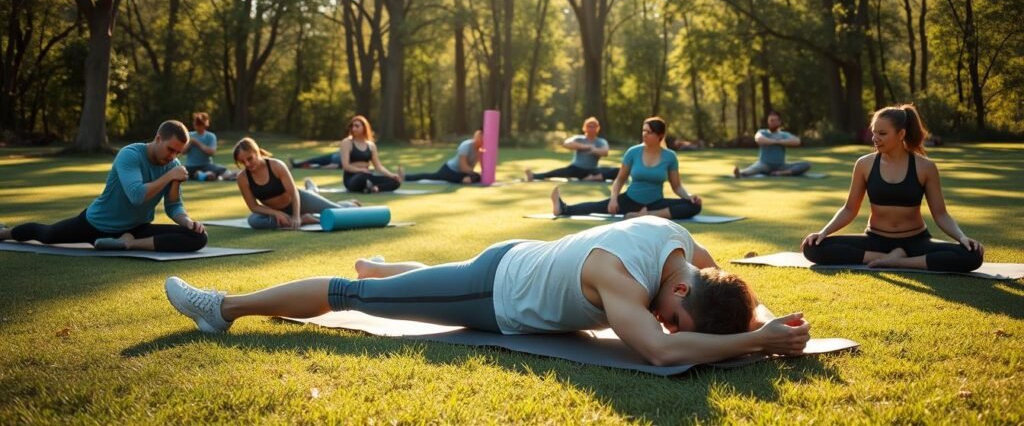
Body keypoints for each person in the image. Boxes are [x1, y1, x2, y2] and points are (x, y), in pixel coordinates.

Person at [165, 216, 810, 366]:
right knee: (349, 298)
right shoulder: (622, 279)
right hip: (493, 294)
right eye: (673, 315)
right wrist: (756, 341)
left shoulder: (681, 245)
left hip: (520, 259)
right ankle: (224, 308)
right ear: (673, 288)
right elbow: (661, 355)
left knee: (408, 283)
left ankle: (388, 269)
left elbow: (730, 289)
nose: (670, 324)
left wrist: (774, 324)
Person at [801, 104, 984, 272]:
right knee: (812, 248)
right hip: (875, 240)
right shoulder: (864, 164)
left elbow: (941, 214)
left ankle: (900, 261)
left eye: (882, 133)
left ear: (901, 134)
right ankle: (883, 257)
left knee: (972, 255)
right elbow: (849, 209)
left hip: (915, 241)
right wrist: (823, 232)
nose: (875, 139)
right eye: (873, 133)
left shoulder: (925, 167)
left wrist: (961, 238)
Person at [0, 120, 207, 252]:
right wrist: (170, 175)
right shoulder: (130, 155)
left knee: (198, 238)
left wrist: (188, 222)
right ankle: (5, 233)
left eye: (178, 153)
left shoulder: (173, 166)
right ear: (158, 138)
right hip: (97, 224)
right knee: (47, 235)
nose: (173, 157)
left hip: (135, 229)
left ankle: (128, 243)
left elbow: (173, 206)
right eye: (170, 149)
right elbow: (136, 195)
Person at [552, 117, 703, 220]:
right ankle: (564, 208)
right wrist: (613, 199)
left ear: (660, 135)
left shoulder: (670, 157)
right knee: (597, 206)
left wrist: (689, 197)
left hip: (655, 203)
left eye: (649, 132)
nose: (644, 134)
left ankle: (646, 215)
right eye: (643, 131)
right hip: (630, 200)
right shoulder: (633, 152)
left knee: (694, 206)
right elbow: (620, 179)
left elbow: (676, 186)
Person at [233, 137, 360, 230]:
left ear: (257, 152)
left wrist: (296, 216)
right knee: (253, 221)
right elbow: (254, 207)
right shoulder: (242, 178)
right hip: (276, 210)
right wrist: (276, 213)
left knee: (340, 213)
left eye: (250, 158)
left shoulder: (276, 165)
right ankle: (305, 218)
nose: (248, 164)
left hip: (299, 200)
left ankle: (348, 204)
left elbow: (294, 193)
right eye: (243, 162)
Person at [525, 117, 619, 182]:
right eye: (589, 126)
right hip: (576, 168)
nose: (591, 128)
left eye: (593, 126)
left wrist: (594, 149)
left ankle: (594, 178)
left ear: (597, 128)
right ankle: (534, 176)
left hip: (592, 171)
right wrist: (585, 147)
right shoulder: (579, 138)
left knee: (618, 171)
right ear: (584, 128)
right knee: (556, 173)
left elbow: (605, 151)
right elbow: (566, 144)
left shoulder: (600, 141)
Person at [733, 110, 811, 177]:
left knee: (806, 165)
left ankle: (782, 173)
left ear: (779, 122)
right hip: (764, 164)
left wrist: (780, 141)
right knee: (753, 169)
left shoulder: (784, 134)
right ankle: (741, 174)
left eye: (774, 121)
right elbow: (758, 139)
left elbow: (797, 141)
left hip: (780, 166)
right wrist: (775, 141)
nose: (772, 123)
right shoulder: (763, 132)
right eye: (770, 120)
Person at [340, 115, 401, 193]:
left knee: (395, 182)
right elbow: (346, 166)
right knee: (363, 177)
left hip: (366, 175)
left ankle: (375, 188)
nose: (353, 128)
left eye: (357, 126)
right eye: (352, 126)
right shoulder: (347, 142)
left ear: (364, 127)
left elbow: (378, 166)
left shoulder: (371, 145)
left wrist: (391, 175)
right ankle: (367, 185)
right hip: (352, 178)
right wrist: (361, 170)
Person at [403, 130, 483, 184]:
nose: (483, 140)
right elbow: (463, 167)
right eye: (481, 137)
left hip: (464, 173)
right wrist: (475, 174)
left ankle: (466, 179)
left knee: (474, 178)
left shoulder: (482, 150)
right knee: (431, 176)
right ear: (477, 136)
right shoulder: (466, 145)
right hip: (450, 170)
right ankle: (405, 177)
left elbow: (483, 167)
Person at [184, 112, 238, 181]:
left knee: (223, 169)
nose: (198, 127)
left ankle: (205, 175)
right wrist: (189, 143)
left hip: (206, 165)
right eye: (196, 125)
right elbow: (182, 151)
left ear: (205, 125)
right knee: (184, 172)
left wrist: (197, 143)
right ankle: (204, 175)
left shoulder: (210, 136)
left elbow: (211, 152)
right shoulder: (189, 135)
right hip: (191, 166)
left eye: (200, 125)